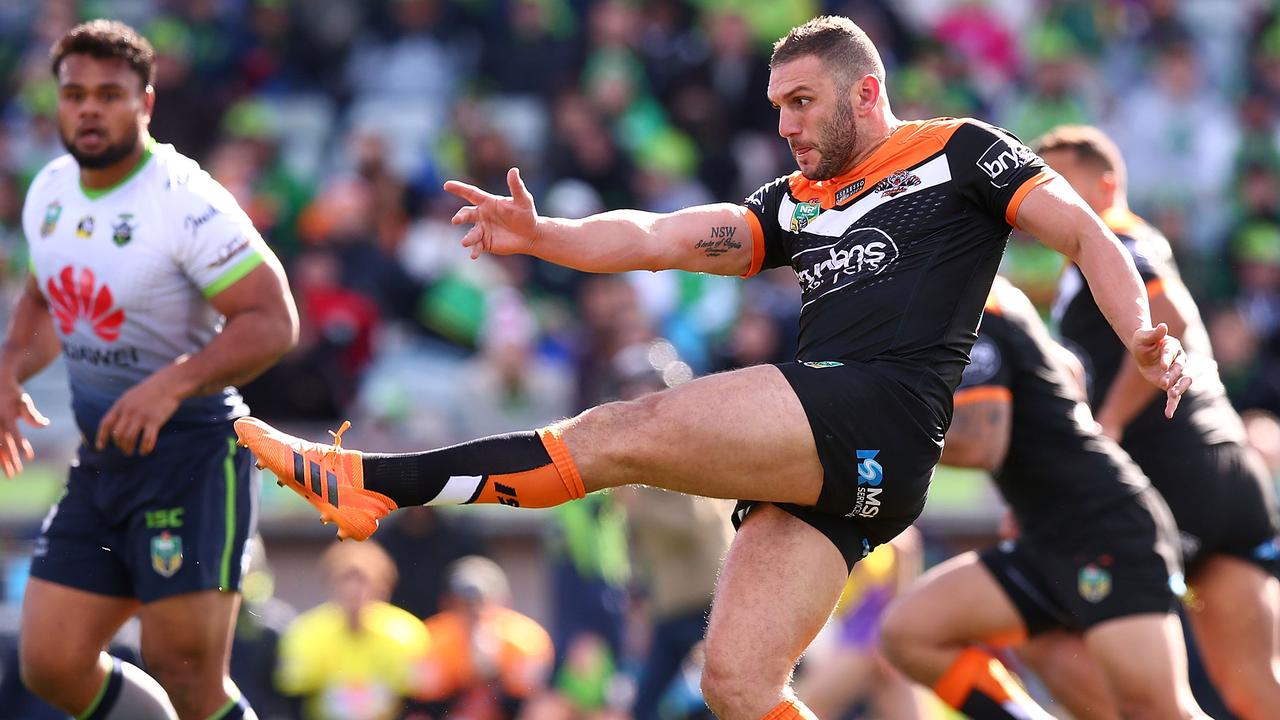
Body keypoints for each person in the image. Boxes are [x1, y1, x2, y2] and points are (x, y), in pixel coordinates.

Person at [235, 16, 1192, 720]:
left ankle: (369, 486)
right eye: (777, 107)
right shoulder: (797, 201)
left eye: (803, 101)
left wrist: (1143, 330)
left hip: (877, 409)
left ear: (866, 91)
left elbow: (1081, 231)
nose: (785, 123)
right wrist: (545, 236)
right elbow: (657, 235)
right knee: (737, 686)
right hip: (851, 465)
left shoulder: (959, 154)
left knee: (620, 430)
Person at [8, 20, 298, 720]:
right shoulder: (48, 190)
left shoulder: (185, 200)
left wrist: (169, 384)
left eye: (109, 94)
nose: (87, 108)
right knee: (49, 662)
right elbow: (44, 300)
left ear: (146, 103)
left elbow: (272, 318)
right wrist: (8, 369)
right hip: (105, 459)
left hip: (194, 455)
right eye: (74, 93)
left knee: (185, 672)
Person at [1034, 125, 1280, 719]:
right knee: (1255, 685)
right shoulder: (1091, 261)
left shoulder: (1115, 235)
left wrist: (1109, 423)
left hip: (1173, 473)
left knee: (1034, 622)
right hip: (1226, 467)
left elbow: (1170, 313)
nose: (1044, 198)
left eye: (1060, 181)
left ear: (1107, 184)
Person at [879, 276, 1206, 719]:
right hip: (1046, 534)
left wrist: (875, 441)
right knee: (909, 632)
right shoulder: (977, 297)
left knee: (1159, 711)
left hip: (1104, 529)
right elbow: (1066, 371)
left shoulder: (970, 297)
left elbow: (982, 443)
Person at [276, 541, 430, 720]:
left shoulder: (406, 634)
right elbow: (291, 696)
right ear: (331, 584)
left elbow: (419, 696)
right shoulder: (305, 633)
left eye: (363, 580)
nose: (354, 590)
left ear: (383, 586)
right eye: (345, 579)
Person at [794, 528, 934, 719]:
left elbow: (903, 593)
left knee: (810, 706)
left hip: (870, 640)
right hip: (859, 636)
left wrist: (889, 644)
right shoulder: (853, 529)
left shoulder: (898, 537)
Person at [410, 555, 554, 718]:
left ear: (504, 602)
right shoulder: (432, 640)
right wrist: (465, 676)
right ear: (447, 604)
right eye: (465, 603)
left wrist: (494, 672)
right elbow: (424, 705)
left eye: (483, 602)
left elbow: (530, 701)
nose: (475, 612)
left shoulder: (526, 641)